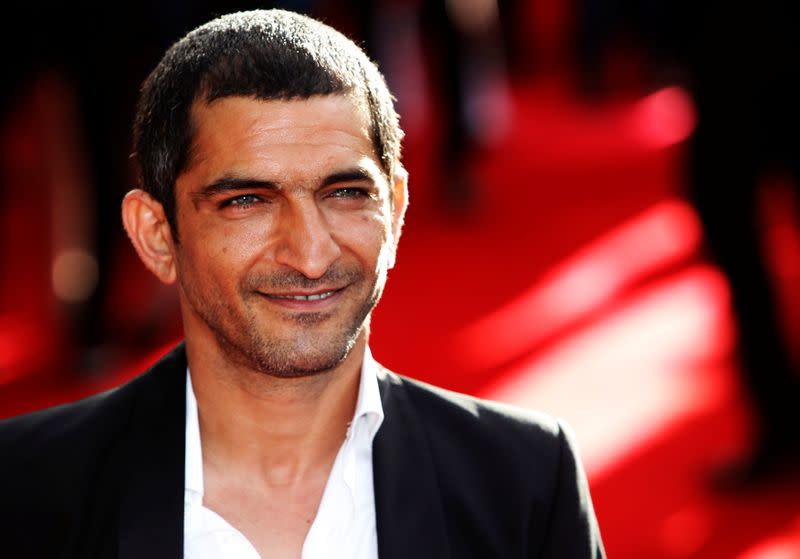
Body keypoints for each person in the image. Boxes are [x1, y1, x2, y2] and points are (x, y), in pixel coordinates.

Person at [0, 9, 604, 558]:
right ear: (158, 234)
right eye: (247, 201)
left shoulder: (525, 481)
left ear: (395, 212)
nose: (311, 255)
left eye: (345, 193)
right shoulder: (26, 488)